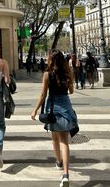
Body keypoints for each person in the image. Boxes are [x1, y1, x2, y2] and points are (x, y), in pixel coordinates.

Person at [31, 49, 78, 187]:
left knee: (55, 138)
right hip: (65, 105)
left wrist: (34, 110)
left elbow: (43, 95)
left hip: (52, 107)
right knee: (64, 141)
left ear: (51, 59)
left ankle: (58, 162)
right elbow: (71, 91)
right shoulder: (68, 72)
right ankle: (66, 174)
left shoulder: (47, 74)